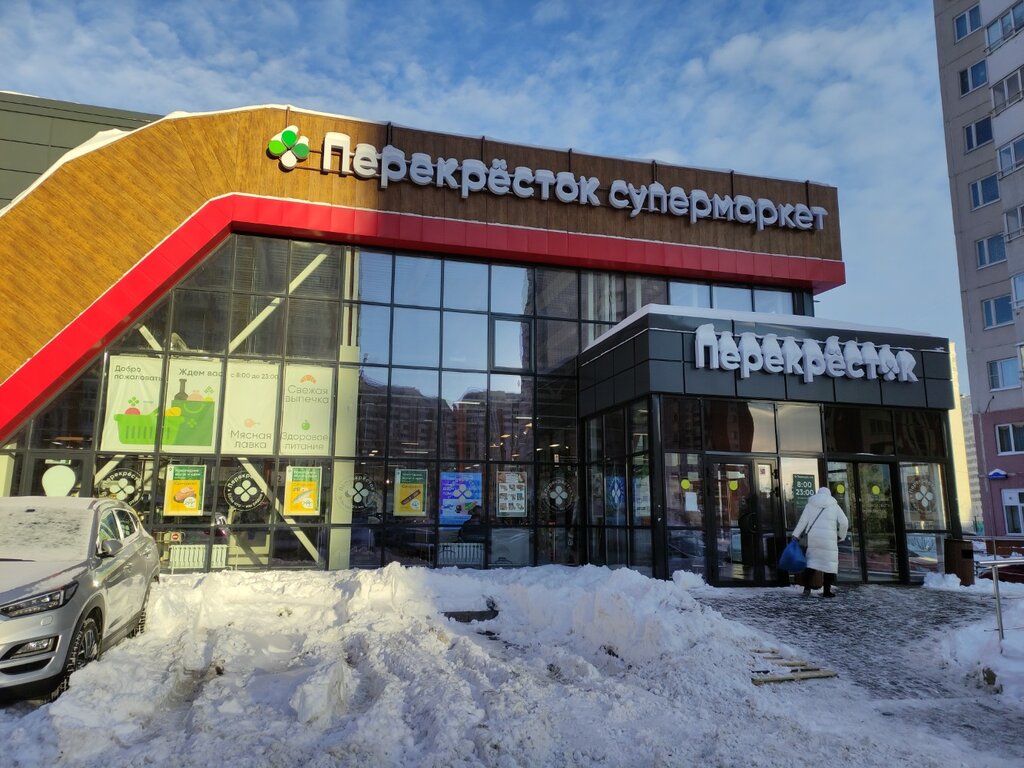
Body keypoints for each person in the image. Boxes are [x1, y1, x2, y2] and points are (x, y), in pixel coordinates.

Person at [791, 487, 848, 598]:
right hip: (829, 539)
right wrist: (841, 535)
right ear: (829, 494)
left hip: (814, 538)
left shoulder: (810, 504)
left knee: (812, 563)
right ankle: (827, 591)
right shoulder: (834, 505)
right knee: (829, 565)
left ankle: (807, 588)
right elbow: (844, 522)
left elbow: (803, 521)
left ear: (818, 494)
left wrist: (796, 535)